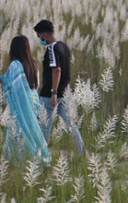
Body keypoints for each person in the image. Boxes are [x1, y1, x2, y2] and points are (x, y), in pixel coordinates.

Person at [33, 20, 85, 157]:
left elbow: (57, 70)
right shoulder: (64, 46)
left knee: (44, 126)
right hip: (65, 92)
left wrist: (53, 93)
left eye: (39, 37)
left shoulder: (52, 48)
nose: (40, 40)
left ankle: (42, 158)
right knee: (70, 125)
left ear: (44, 34)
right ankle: (81, 154)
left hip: (51, 94)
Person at [0, 36, 51, 167]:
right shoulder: (34, 64)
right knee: (31, 129)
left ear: (14, 49)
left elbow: (9, 83)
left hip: (22, 103)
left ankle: (21, 163)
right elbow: (36, 85)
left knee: (18, 131)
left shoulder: (15, 65)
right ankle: (36, 159)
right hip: (33, 102)